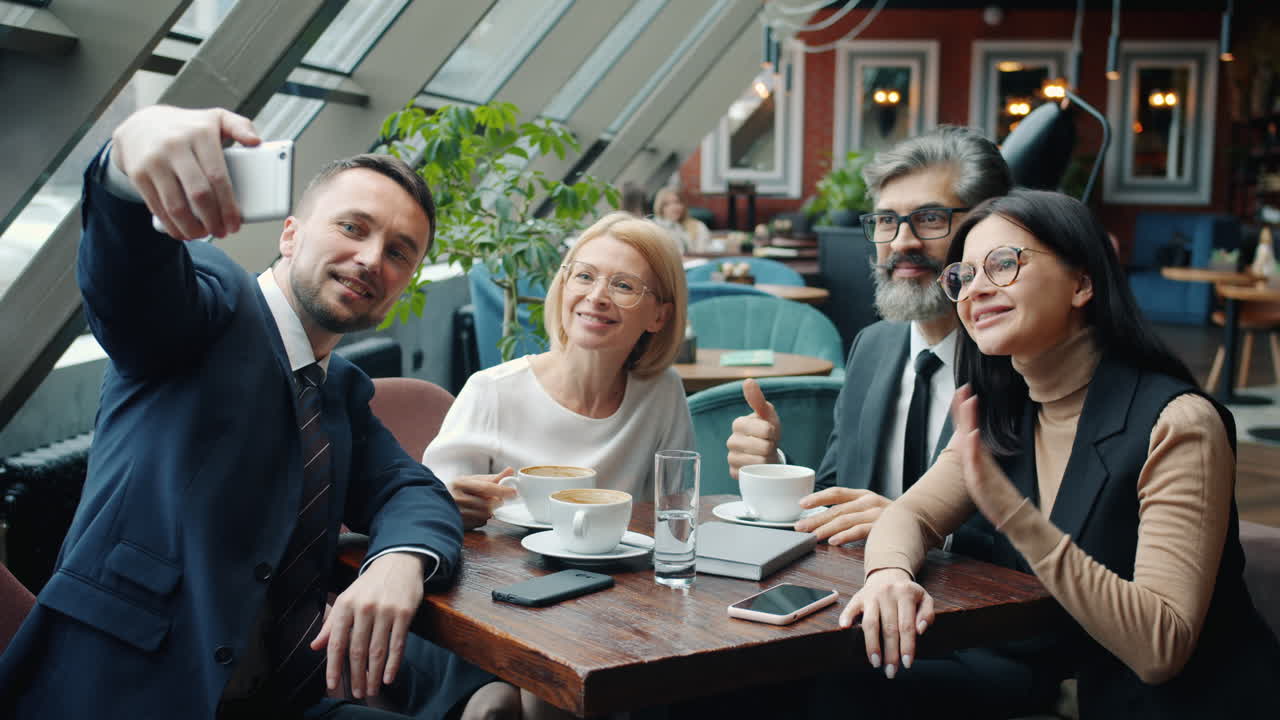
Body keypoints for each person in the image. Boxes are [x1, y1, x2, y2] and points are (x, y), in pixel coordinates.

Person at [0, 105, 464, 720]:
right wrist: (126, 165)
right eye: (354, 227)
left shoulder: (340, 390)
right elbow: (128, 277)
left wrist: (399, 560)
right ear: (291, 234)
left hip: (281, 696)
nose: (373, 259)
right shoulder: (210, 307)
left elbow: (412, 490)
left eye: (400, 252)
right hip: (129, 688)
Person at [842, 189, 1280, 716]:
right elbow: (910, 514)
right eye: (964, 275)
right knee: (840, 676)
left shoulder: (1178, 423)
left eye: (1003, 265)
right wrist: (889, 577)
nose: (975, 290)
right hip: (1055, 683)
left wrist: (1012, 512)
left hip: (1178, 704)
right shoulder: (1005, 409)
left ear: (1082, 282)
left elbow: (1161, 649)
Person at [388, 212, 694, 719]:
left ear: (658, 316)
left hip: (607, 614)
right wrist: (451, 505)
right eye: (585, 275)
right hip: (483, 612)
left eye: (623, 285)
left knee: (537, 697)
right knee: (509, 703)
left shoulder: (661, 396)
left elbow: (673, 515)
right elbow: (420, 519)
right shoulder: (493, 391)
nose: (597, 295)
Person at [727, 125, 1010, 546]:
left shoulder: (1023, 361)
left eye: (929, 218)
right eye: (886, 221)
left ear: (989, 227)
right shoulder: (873, 346)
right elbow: (836, 497)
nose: (901, 242)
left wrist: (912, 526)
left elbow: (1052, 541)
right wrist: (772, 465)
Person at [653, 187, 711, 254]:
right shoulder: (655, 228)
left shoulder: (697, 226)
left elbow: (703, 253)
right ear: (660, 207)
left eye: (677, 202)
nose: (674, 207)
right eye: (667, 204)